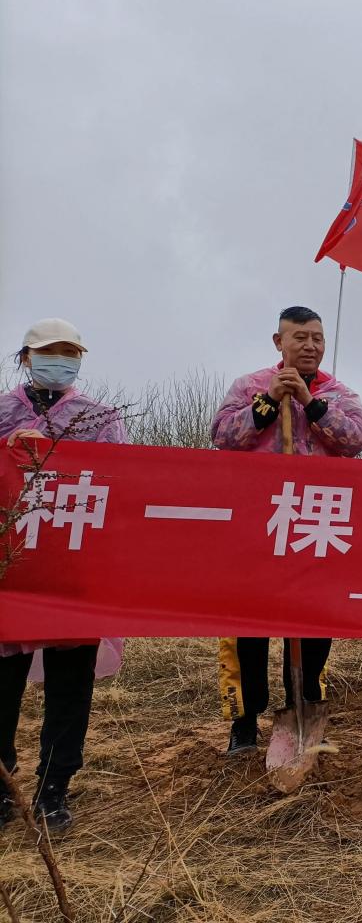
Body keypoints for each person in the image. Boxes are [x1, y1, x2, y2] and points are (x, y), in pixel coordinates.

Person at [211, 306, 362, 756]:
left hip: (316, 526)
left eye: (317, 338)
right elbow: (222, 435)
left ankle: (303, 706)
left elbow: (358, 437)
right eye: (300, 337)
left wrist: (309, 402)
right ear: (278, 342)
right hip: (257, 525)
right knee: (248, 624)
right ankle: (245, 720)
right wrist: (266, 405)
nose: (311, 345)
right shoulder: (249, 387)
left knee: (313, 621)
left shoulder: (336, 392)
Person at [0, 318, 127, 832]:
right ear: (26, 357)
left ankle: (54, 789)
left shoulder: (99, 417)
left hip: (74, 565)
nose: (59, 360)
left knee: (70, 683)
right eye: (48, 351)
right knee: (1, 680)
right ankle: (2, 787)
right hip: (10, 568)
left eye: (69, 352)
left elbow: (121, 477)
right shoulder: (3, 410)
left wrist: (66, 456)